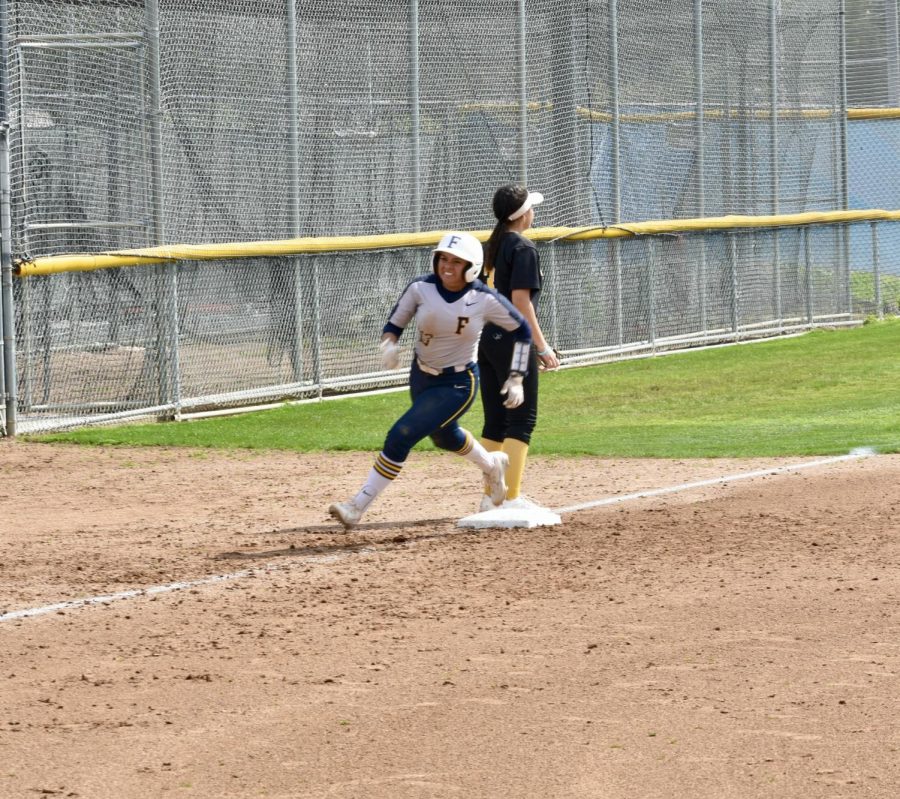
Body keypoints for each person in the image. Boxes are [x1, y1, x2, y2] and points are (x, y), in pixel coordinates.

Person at [328, 231, 533, 530]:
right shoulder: (420, 288)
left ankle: (356, 507)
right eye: (443, 259)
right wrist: (389, 344)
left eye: (456, 261)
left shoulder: (483, 298)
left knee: (401, 434)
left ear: (472, 267)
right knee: (444, 436)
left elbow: (522, 331)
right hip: (421, 375)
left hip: (458, 383)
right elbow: (395, 323)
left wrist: (516, 377)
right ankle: (492, 465)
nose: (447, 266)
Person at [477, 184, 560, 512]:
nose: (533, 212)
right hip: (515, 343)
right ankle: (509, 498)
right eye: (531, 207)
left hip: (489, 341)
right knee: (521, 420)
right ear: (522, 215)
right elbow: (521, 302)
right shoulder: (522, 247)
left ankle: (490, 496)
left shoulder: (492, 246)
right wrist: (542, 347)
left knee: (495, 421)